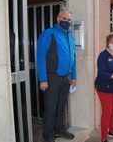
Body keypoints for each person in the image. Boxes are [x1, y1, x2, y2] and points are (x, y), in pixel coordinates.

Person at [37, 8, 76, 142]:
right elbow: (41, 57)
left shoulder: (70, 36)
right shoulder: (49, 33)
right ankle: (47, 134)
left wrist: (74, 76)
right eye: (64, 19)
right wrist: (43, 80)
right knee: (50, 108)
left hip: (66, 78)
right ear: (58, 19)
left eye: (69, 20)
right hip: (52, 77)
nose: (66, 21)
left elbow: (73, 57)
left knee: (61, 106)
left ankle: (59, 129)